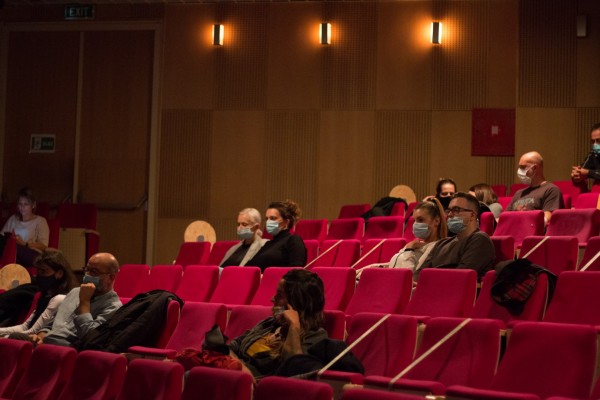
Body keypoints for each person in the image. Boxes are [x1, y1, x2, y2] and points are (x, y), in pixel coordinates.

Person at [227, 269, 326, 378]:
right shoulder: (269, 324)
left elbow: (295, 371)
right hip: (233, 375)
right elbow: (231, 347)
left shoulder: (315, 336)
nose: (272, 299)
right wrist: (240, 367)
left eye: (279, 295)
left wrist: (294, 326)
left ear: (296, 302)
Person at [31, 252, 122, 346]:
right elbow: (54, 322)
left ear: (110, 278)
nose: (86, 275)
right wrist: (41, 334)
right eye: (86, 269)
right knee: (16, 338)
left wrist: (84, 302)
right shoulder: (75, 292)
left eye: (93, 272)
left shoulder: (114, 307)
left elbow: (90, 337)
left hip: (68, 349)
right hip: (47, 341)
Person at [416, 192, 495, 281]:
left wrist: (426, 283)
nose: (449, 214)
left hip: (454, 293)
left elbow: (460, 276)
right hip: (428, 290)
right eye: (449, 210)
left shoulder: (480, 240)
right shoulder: (441, 243)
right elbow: (419, 274)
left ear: (472, 215)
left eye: (456, 210)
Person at [0, 250, 77, 337]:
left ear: (59, 273)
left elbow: (33, 331)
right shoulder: (45, 295)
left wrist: (6, 337)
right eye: (38, 271)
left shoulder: (60, 298)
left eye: (43, 271)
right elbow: (25, 327)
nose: (39, 276)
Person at [388, 198, 447, 272]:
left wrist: (409, 249)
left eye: (420, 220)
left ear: (436, 221)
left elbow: (411, 276)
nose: (415, 224)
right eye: (414, 220)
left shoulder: (436, 248)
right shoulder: (416, 244)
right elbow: (396, 262)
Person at [246, 200, 307, 271]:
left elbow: (297, 271)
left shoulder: (293, 240)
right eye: (267, 219)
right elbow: (249, 267)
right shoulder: (267, 244)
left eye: (273, 218)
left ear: (286, 222)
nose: (268, 222)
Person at [507, 151, 563, 225]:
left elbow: (547, 219)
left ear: (535, 168)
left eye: (523, 167)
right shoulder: (519, 193)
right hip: (514, 230)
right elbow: (505, 218)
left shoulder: (551, 190)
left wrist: (523, 215)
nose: (519, 171)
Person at [1, 187, 50, 267]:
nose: (22, 207)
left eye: (26, 204)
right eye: (20, 204)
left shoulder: (40, 221)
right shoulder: (13, 219)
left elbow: (43, 245)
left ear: (33, 205)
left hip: (32, 254)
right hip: (13, 251)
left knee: (14, 248)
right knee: (10, 249)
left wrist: (24, 244)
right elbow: (2, 237)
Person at [571, 123, 600, 190]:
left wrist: (588, 172)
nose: (595, 144)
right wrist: (576, 175)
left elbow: (586, 171)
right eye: (593, 141)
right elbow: (582, 169)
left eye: (598, 140)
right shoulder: (592, 154)